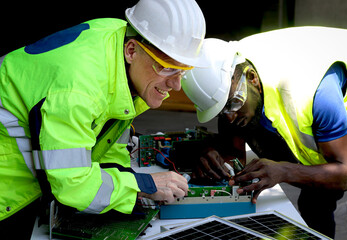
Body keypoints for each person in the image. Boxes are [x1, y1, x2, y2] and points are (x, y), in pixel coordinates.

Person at [0, 0, 206, 238]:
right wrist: (142, 186)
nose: (176, 85)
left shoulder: (118, 46)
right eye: (167, 68)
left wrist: (125, 179)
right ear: (132, 51)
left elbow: (107, 145)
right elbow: (72, 183)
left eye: (183, 70)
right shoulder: (79, 90)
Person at [182, 29, 347, 240]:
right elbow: (233, 144)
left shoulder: (315, 95)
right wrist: (213, 152)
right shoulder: (230, 72)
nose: (229, 118)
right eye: (221, 111)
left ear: (252, 78)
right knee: (314, 202)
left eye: (233, 104)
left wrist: (284, 171)